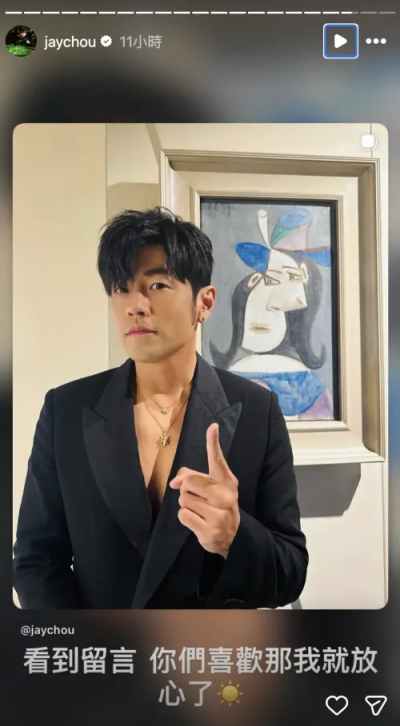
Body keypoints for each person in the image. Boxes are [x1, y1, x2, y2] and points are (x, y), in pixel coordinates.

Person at [13, 207, 308, 609]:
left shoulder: (257, 412)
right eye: (120, 288)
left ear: (204, 303)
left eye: (157, 285)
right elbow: (35, 561)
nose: (135, 305)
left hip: (207, 648)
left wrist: (235, 536)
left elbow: (290, 574)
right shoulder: (66, 410)